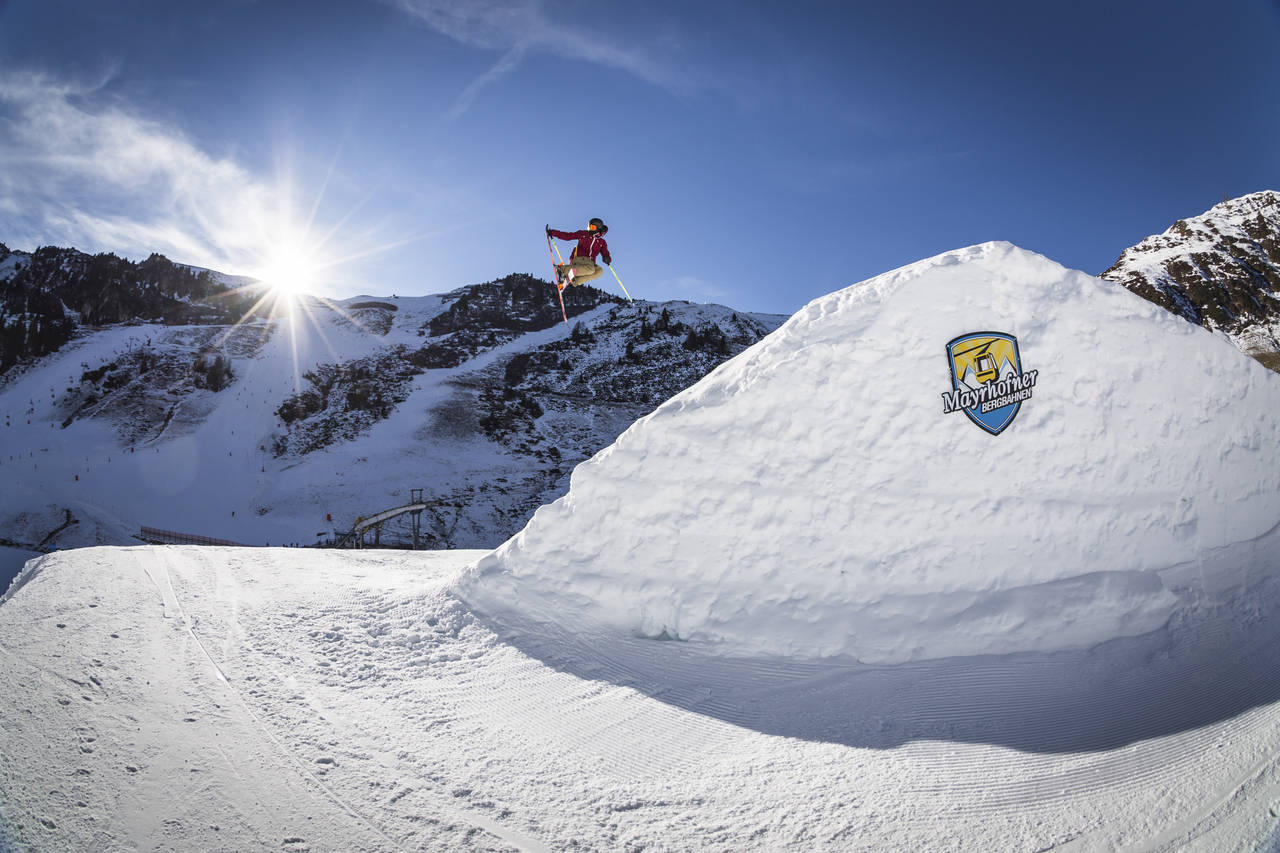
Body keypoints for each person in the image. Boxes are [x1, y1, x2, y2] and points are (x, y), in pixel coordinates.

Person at [547, 218, 612, 288]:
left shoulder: (602, 242)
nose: (590, 229)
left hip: (588, 264)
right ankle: (562, 269)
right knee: (591, 269)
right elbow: (568, 236)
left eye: (592, 227)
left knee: (599, 271)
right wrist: (553, 233)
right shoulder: (584, 234)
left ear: (598, 229)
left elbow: (605, 252)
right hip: (579, 259)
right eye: (589, 227)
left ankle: (575, 281)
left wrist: (607, 258)